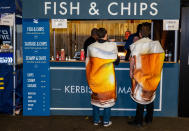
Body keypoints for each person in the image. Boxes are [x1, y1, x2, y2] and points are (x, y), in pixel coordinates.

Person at [128, 22, 165, 127]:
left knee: (141, 97)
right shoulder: (156, 44)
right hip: (152, 74)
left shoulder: (136, 45)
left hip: (141, 74)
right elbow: (161, 57)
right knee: (150, 96)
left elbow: (132, 60)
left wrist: (131, 71)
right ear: (149, 33)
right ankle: (149, 119)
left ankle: (138, 121)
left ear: (140, 34)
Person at [86, 28, 118, 127]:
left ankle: (96, 120)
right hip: (108, 78)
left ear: (96, 35)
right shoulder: (112, 45)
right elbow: (116, 61)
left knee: (96, 99)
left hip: (95, 77)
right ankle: (106, 121)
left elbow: (88, 63)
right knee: (107, 99)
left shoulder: (91, 47)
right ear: (106, 35)